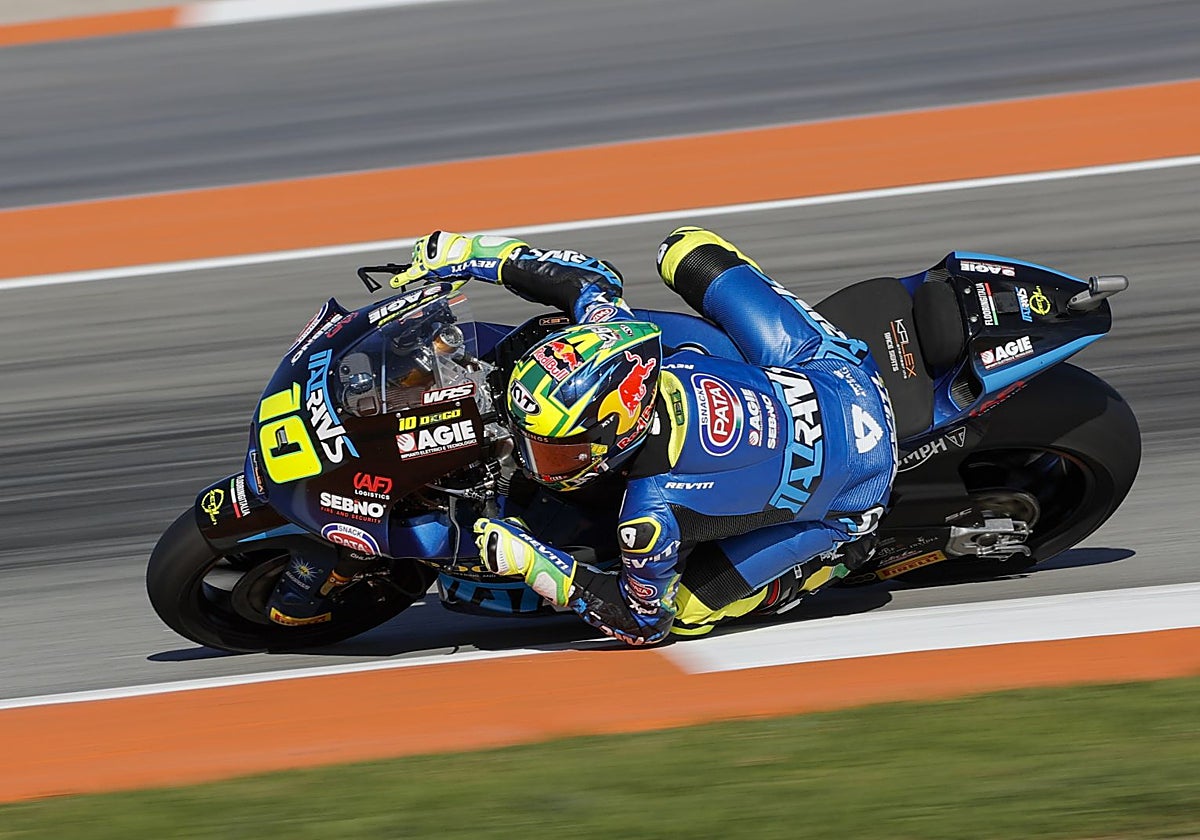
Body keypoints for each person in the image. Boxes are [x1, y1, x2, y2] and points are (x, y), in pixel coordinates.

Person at [390, 227, 897, 645]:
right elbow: (590, 278)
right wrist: (468, 255)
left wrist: (535, 563)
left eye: (554, 451)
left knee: (688, 613)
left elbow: (644, 625)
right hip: (830, 371)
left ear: (617, 432)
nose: (532, 463)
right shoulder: (610, 337)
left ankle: (836, 557)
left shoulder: (648, 517)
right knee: (685, 249)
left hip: (856, 489)